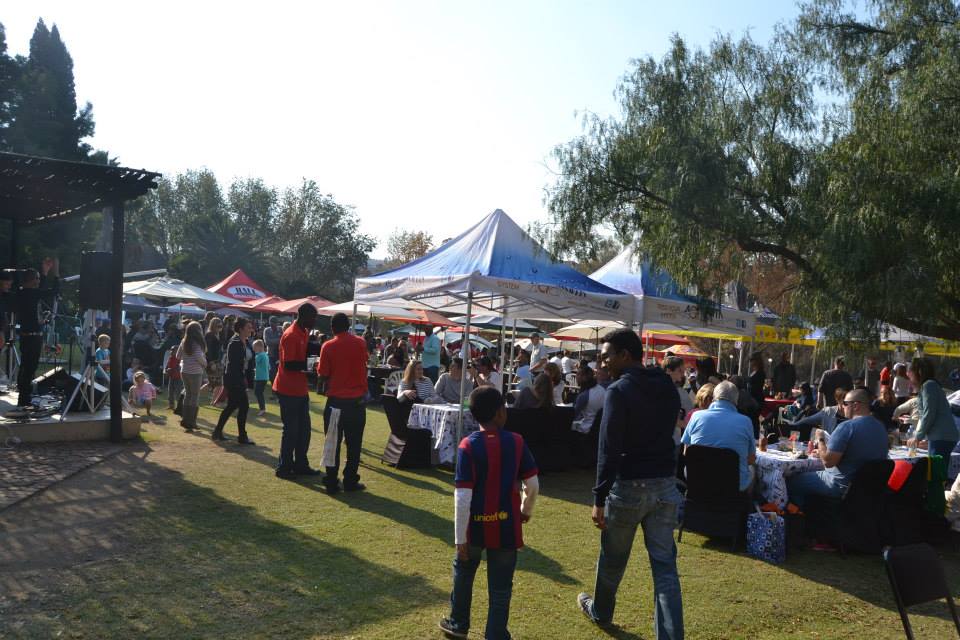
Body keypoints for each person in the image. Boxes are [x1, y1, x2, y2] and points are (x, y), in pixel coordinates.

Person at [578, 329, 683, 638]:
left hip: (629, 487)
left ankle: (601, 612)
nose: (602, 363)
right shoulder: (666, 385)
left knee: (613, 560)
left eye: (606, 357)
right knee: (665, 569)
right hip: (665, 484)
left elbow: (608, 448)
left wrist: (599, 497)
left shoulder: (619, 391)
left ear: (625, 355)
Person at [438, 386, 539, 640]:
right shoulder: (516, 441)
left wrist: (460, 538)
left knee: (464, 572)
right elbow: (533, 484)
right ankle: (496, 634)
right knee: (501, 587)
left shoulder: (467, 445)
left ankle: (458, 623)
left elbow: (462, 496)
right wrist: (525, 510)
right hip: (506, 526)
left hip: (474, 527)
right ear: (499, 413)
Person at [786, 388, 888, 511]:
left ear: (856, 405)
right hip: (869, 489)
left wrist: (820, 439)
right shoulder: (881, 427)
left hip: (841, 486)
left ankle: (800, 518)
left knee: (792, 482)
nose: (842, 406)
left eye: (845, 403)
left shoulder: (847, 427)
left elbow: (828, 462)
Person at [317, 311, 370, 493]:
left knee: (333, 442)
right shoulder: (360, 343)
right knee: (354, 444)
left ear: (332, 328)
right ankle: (350, 480)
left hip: (336, 402)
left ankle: (332, 481)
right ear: (348, 326)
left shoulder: (328, 346)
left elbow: (323, 374)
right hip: (356, 402)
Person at [274, 303, 323, 479]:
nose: (315, 320)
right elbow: (289, 364)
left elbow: (306, 350)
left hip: (300, 389)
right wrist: (309, 367)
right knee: (291, 431)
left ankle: (300, 465)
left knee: (304, 430)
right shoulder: (291, 335)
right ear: (304, 316)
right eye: (313, 317)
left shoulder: (303, 332)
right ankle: (284, 468)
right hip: (287, 389)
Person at [681, 380, 756, 492]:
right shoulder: (746, 422)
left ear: (714, 398)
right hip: (732, 486)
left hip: (698, 480)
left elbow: (686, 452)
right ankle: (747, 501)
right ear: (736, 400)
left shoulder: (696, 417)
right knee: (752, 469)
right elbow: (750, 459)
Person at [13, 258, 59, 407]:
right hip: (32, 337)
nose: (39, 281)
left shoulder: (25, 293)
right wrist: (54, 274)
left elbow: (42, 291)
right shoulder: (29, 293)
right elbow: (52, 291)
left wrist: (44, 273)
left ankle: (24, 397)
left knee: (27, 367)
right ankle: (23, 399)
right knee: (29, 368)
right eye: (37, 278)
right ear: (32, 280)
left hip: (29, 335)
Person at [212, 318, 255, 444]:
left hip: (237, 378)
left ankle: (218, 432)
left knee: (232, 406)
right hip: (234, 379)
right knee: (243, 406)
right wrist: (240, 382)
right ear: (240, 329)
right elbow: (233, 365)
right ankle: (242, 436)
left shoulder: (244, 342)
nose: (251, 329)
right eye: (248, 327)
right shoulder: (235, 343)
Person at [907, 356, 959, 459]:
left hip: (941, 437)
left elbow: (929, 413)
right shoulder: (929, 386)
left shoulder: (928, 386)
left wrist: (918, 437)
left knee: (935, 468)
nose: (909, 376)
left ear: (919, 372)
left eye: (911, 373)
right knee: (938, 467)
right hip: (942, 436)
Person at [177, 321, 207, 431]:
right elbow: (199, 357)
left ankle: (185, 420)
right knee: (194, 396)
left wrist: (186, 360)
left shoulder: (184, 341)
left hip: (184, 371)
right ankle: (192, 422)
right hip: (195, 373)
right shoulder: (197, 343)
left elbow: (178, 356)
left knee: (188, 395)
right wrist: (205, 363)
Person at [663, 356, 694, 434]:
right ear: (668, 371)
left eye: (683, 371)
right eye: (680, 371)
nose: (683, 374)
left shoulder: (679, 391)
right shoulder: (677, 391)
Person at [573, 365, 606, 433]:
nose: (576, 376)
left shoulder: (584, 395)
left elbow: (573, 415)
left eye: (578, 374)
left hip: (587, 430)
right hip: (601, 428)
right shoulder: (602, 388)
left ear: (584, 377)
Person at [204, 317, 224, 404]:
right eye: (218, 326)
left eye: (221, 326)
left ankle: (213, 402)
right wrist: (211, 363)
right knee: (213, 384)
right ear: (213, 326)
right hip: (212, 362)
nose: (220, 327)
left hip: (218, 361)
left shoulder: (218, 334)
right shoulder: (209, 335)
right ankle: (193, 393)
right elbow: (208, 350)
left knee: (217, 384)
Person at [252, 338, 270, 416]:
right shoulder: (266, 355)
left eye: (254, 348)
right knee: (259, 393)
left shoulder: (259, 356)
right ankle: (262, 408)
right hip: (264, 377)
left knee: (258, 393)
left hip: (261, 378)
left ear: (259, 347)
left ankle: (262, 409)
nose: (253, 349)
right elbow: (268, 367)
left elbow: (257, 361)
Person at [164, 345, 183, 412]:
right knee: (170, 392)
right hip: (171, 377)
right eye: (171, 350)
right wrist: (167, 370)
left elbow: (179, 368)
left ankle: (179, 407)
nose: (171, 351)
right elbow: (167, 366)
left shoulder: (179, 359)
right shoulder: (170, 358)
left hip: (178, 378)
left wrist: (171, 369)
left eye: (173, 350)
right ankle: (171, 405)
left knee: (178, 393)